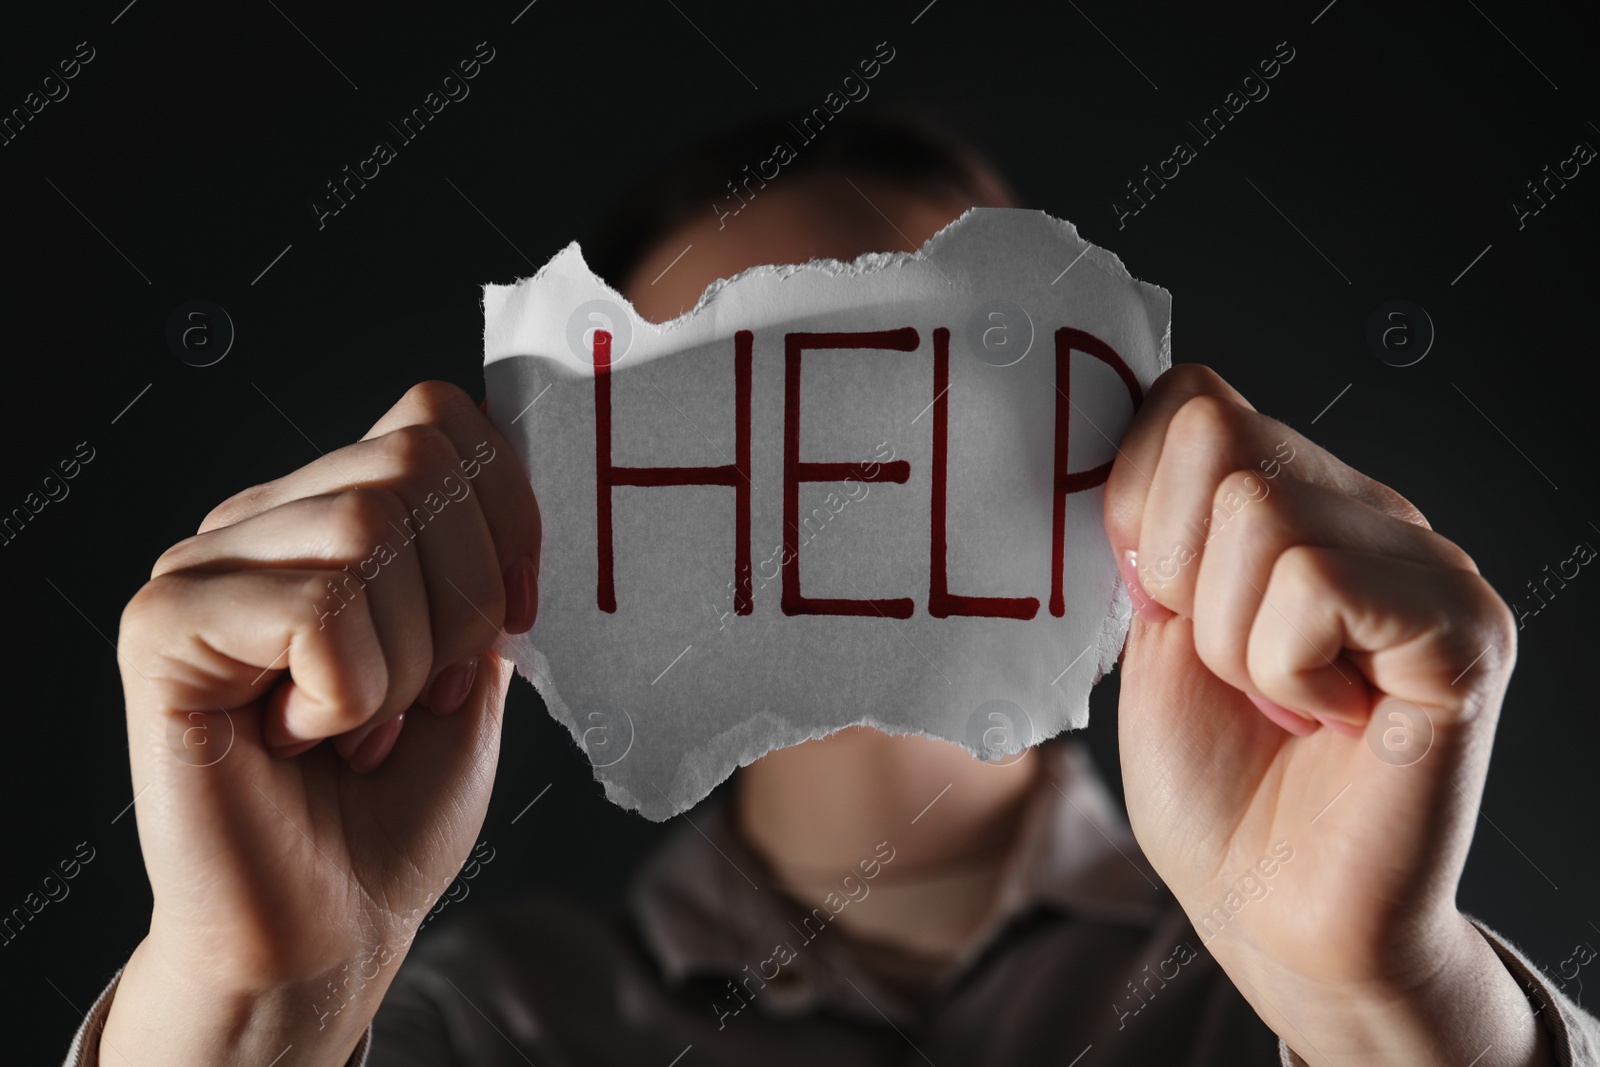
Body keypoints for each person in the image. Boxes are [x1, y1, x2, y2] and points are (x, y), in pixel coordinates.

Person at [67, 112, 1600, 1066]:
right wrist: (247, 1012)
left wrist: (1393, 1013)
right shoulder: (478, 1030)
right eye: (708, 403)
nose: (845, 486)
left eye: (941, 379)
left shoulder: (1285, 981)